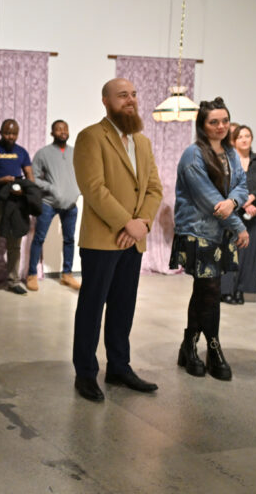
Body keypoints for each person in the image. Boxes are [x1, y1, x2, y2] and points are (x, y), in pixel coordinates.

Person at [71, 78, 163, 402]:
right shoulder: (90, 137)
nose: (131, 100)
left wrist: (143, 224)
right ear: (106, 101)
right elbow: (93, 188)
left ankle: (119, 367)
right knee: (92, 307)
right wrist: (128, 222)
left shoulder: (143, 142)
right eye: (123, 95)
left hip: (133, 241)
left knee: (124, 307)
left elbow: (154, 189)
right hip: (101, 240)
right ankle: (85, 373)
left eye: (134, 95)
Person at [171, 98, 249, 381]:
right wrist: (238, 224)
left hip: (221, 231)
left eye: (225, 121)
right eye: (213, 122)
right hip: (199, 232)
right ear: (202, 126)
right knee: (210, 289)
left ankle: (192, 345)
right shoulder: (193, 155)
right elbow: (208, 200)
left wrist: (233, 202)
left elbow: (242, 184)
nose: (221, 126)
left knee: (207, 289)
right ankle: (211, 347)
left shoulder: (230, 153)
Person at [26, 119, 81, 291]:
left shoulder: (76, 152)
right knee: (39, 238)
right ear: (52, 133)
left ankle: (67, 275)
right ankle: (32, 274)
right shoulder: (43, 153)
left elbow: (84, 173)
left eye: (65, 129)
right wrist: (51, 188)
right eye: (58, 129)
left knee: (70, 240)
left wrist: (77, 189)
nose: (62, 132)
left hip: (71, 205)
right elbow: (33, 177)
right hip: (48, 204)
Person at [220, 125, 256, 303]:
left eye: (247, 135)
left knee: (250, 252)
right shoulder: (227, 160)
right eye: (240, 136)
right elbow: (225, 186)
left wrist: (252, 199)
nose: (244, 139)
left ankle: (241, 290)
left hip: (254, 211)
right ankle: (226, 291)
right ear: (234, 141)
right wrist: (243, 203)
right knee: (230, 250)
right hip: (233, 211)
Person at [0, 119, 34, 295]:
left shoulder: (22, 152)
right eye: (7, 133)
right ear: (0, 132)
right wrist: (1, 181)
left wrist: (24, 188)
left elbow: (30, 176)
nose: (11, 136)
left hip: (16, 204)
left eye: (14, 133)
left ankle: (13, 281)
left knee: (14, 244)